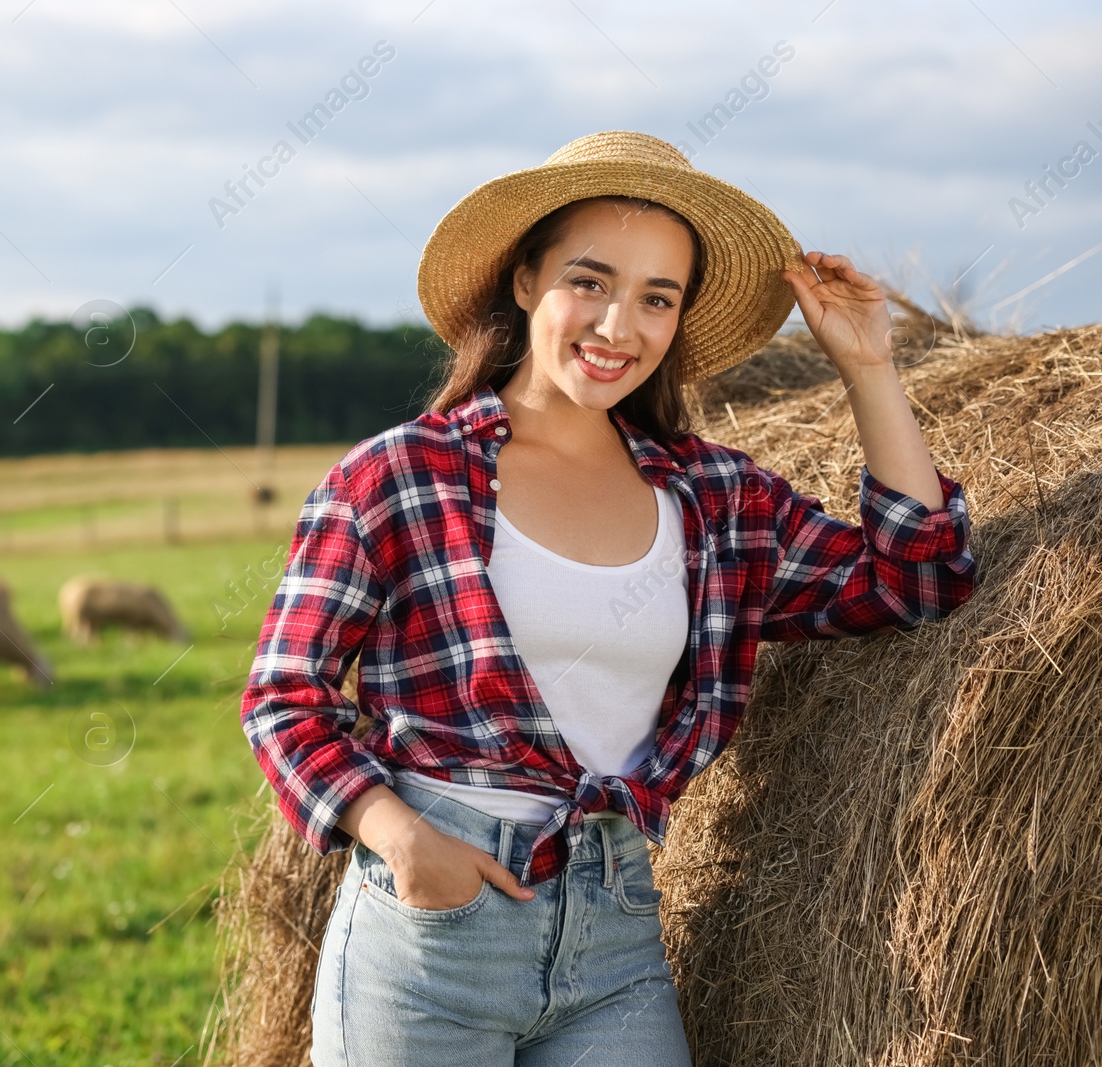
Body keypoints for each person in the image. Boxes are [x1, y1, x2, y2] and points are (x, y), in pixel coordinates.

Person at [239, 131, 978, 1066]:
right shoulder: (402, 476)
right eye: (589, 281)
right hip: (431, 942)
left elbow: (916, 577)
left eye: (656, 297)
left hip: (615, 930)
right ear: (522, 281)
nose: (619, 325)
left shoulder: (714, 499)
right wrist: (401, 840)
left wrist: (870, 366)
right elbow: (282, 696)